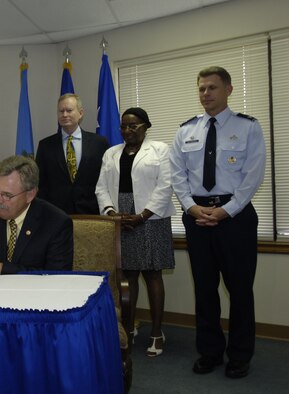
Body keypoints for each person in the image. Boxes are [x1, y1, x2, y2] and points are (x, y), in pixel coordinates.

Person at [170, 66, 266, 378]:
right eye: (201, 89)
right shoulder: (186, 130)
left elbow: (253, 175)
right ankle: (209, 351)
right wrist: (190, 207)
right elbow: (177, 175)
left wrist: (227, 210)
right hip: (197, 216)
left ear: (228, 90)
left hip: (235, 217)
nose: (206, 94)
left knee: (239, 289)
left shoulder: (248, 127)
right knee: (205, 288)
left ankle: (240, 354)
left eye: (212, 88)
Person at [96, 107, 176, 357]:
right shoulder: (111, 153)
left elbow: (166, 186)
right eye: (124, 126)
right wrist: (111, 213)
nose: (127, 130)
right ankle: (128, 327)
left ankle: (156, 332)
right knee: (128, 276)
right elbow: (101, 187)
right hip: (122, 218)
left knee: (153, 275)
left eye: (133, 126)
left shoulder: (161, 150)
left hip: (151, 218)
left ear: (146, 127)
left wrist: (143, 215)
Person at [36, 93, 109, 215]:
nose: (64, 115)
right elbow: (41, 183)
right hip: (56, 214)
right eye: (61, 111)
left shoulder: (99, 143)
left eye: (69, 110)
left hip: (91, 212)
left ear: (80, 113)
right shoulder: (45, 145)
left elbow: (106, 179)